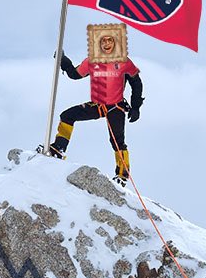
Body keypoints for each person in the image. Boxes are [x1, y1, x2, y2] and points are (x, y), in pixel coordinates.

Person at [47, 32, 144, 185]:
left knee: (117, 140)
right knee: (67, 115)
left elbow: (136, 83)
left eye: (109, 42)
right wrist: (62, 60)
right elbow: (74, 74)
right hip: (98, 105)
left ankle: (122, 175)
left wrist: (136, 106)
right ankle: (59, 148)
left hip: (115, 106)